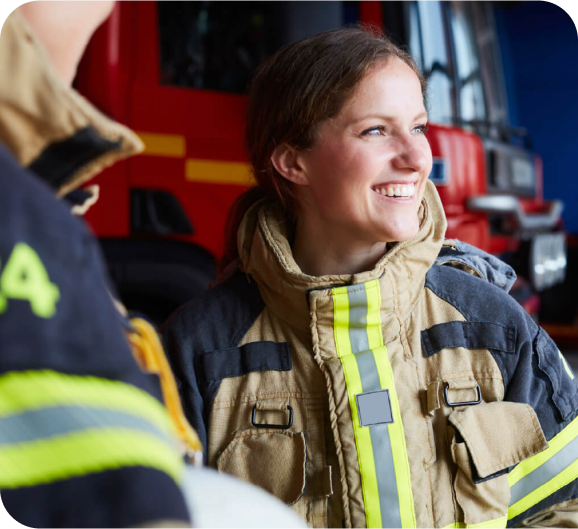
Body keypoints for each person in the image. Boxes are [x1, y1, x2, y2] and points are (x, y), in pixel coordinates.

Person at [163, 26, 578, 529]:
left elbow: (565, 505)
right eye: (376, 131)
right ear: (293, 161)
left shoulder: (495, 327)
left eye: (419, 127)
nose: (417, 157)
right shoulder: (198, 351)